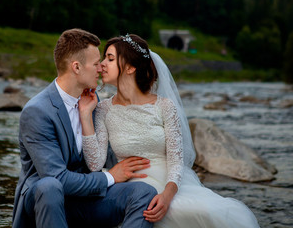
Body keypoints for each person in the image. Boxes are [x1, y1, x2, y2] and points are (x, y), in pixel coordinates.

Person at [79, 34, 261, 228]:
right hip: (131, 188)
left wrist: (166, 196)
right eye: (104, 58)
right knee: (147, 210)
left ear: (131, 68)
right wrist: (85, 115)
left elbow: (176, 160)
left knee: (209, 213)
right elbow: (95, 163)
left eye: (110, 58)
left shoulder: (164, 106)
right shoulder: (103, 109)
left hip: (170, 185)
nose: (102, 65)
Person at [12, 29, 158, 228]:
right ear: (77, 67)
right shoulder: (38, 111)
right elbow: (57, 178)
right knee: (50, 186)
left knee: (144, 192)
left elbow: (103, 156)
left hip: (82, 200)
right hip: (45, 202)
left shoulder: (93, 102)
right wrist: (110, 176)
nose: (101, 68)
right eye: (96, 63)